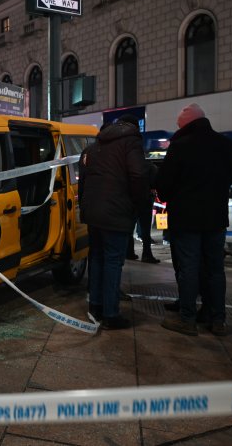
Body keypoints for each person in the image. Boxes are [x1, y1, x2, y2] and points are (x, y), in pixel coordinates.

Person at [156, 103, 232, 336]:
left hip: (187, 219)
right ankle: (217, 319)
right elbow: (230, 178)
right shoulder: (227, 145)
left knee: (188, 268)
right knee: (215, 269)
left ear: (186, 125)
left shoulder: (180, 147)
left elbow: (164, 186)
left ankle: (187, 319)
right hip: (216, 217)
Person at [78, 117, 149, 329]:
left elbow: (84, 181)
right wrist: (137, 203)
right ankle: (111, 314)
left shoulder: (93, 148)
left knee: (97, 258)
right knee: (112, 262)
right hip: (116, 212)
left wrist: (86, 206)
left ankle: (96, 306)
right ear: (133, 129)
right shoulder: (130, 143)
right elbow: (139, 174)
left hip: (94, 213)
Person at [126, 160, 160, 263]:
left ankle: (129, 252)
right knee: (145, 230)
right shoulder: (150, 166)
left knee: (129, 228)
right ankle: (146, 254)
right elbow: (155, 183)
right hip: (145, 200)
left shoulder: (127, 165)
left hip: (130, 200)